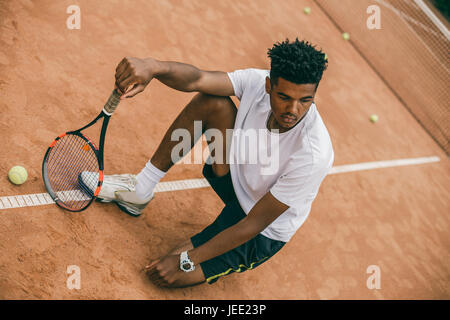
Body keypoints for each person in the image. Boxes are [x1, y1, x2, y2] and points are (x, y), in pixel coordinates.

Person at [80, 38, 334, 288]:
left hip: (261, 230)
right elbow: (197, 79)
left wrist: (188, 259)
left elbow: (254, 223)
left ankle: (194, 256)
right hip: (237, 182)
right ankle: (140, 189)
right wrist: (153, 67)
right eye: (284, 96)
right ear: (269, 85)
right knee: (212, 101)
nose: (293, 109)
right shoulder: (257, 83)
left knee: (167, 272)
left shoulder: (313, 154)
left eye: (305, 100)